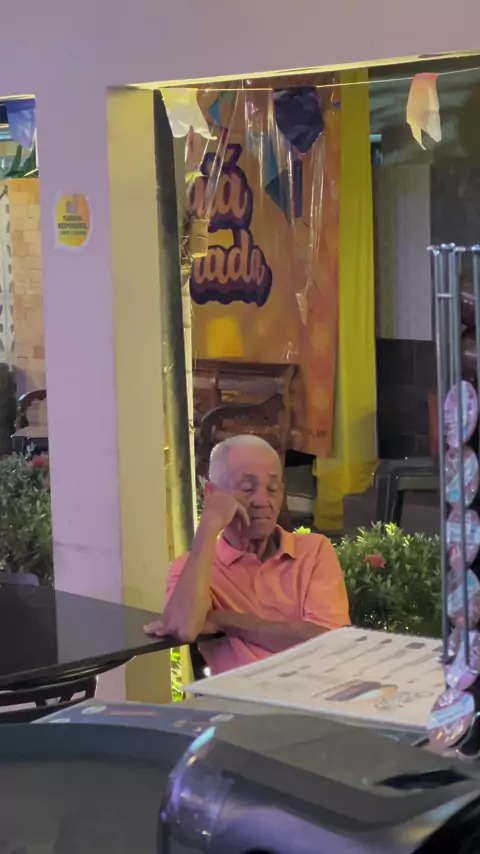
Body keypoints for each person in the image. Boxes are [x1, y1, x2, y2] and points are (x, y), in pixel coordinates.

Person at [144, 435, 350, 674]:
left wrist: (226, 620)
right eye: (247, 488)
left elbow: (329, 643)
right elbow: (184, 627)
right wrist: (209, 524)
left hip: (317, 691)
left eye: (272, 488)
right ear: (212, 493)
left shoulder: (313, 551)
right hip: (239, 696)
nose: (262, 501)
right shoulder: (194, 568)